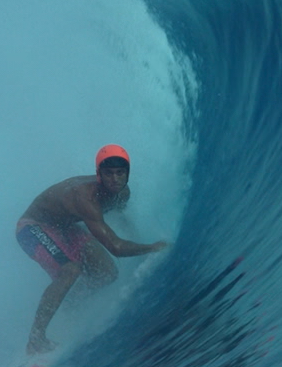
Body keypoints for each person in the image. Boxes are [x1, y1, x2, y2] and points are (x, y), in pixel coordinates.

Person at [14, 144, 168, 354]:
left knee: (107, 273)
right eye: (109, 173)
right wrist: (152, 248)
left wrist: (139, 241)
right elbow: (116, 247)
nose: (115, 179)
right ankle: (35, 340)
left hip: (65, 227)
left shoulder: (122, 193)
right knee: (70, 270)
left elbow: (122, 219)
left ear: (127, 174)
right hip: (32, 228)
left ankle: (70, 304)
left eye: (120, 173)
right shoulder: (85, 197)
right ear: (99, 175)